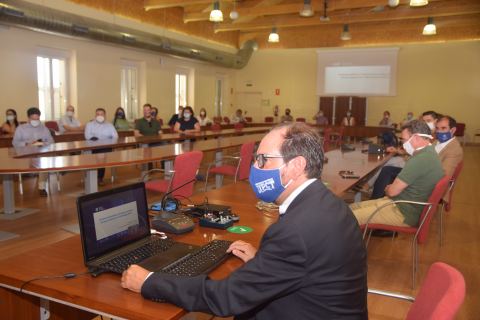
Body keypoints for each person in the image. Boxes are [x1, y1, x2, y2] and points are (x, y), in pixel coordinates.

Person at [122, 122, 368, 319]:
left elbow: (225, 298)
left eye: (263, 160)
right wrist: (266, 262)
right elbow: (306, 264)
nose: (255, 167)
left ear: (296, 166)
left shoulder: (295, 232)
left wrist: (149, 281)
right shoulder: (332, 205)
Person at [350, 120, 444, 227]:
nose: (403, 145)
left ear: (417, 138)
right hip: (402, 204)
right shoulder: (429, 152)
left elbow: (392, 192)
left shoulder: (420, 159)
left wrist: (389, 189)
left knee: (347, 216)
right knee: (351, 208)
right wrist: (392, 189)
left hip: (402, 212)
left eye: (404, 140)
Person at [12, 107, 54, 197]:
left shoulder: (43, 128)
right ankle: (33, 174)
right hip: (25, 153)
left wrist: (42, 143)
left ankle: (41, 187)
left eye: (37, 119)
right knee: (39, 162)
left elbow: (51, 141)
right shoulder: (21, 128)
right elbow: (15, 143)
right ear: (28, 118)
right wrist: (26, 143)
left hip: (40, 153)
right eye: (33, 119)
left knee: (44, 162)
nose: (35, 121)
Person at [84, 108, 118, 186]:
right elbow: (87, 136)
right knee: (98, 155)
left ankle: (99, 178)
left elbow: (115, 136)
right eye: (97, 114)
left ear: (105, 116)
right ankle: (92, 177)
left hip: (106, 147)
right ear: (95, 115)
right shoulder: (90, 124)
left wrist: (107, 141)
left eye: (101, 114)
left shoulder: (109, 125)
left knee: (102, 154)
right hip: (93, 147)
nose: (99, 116)